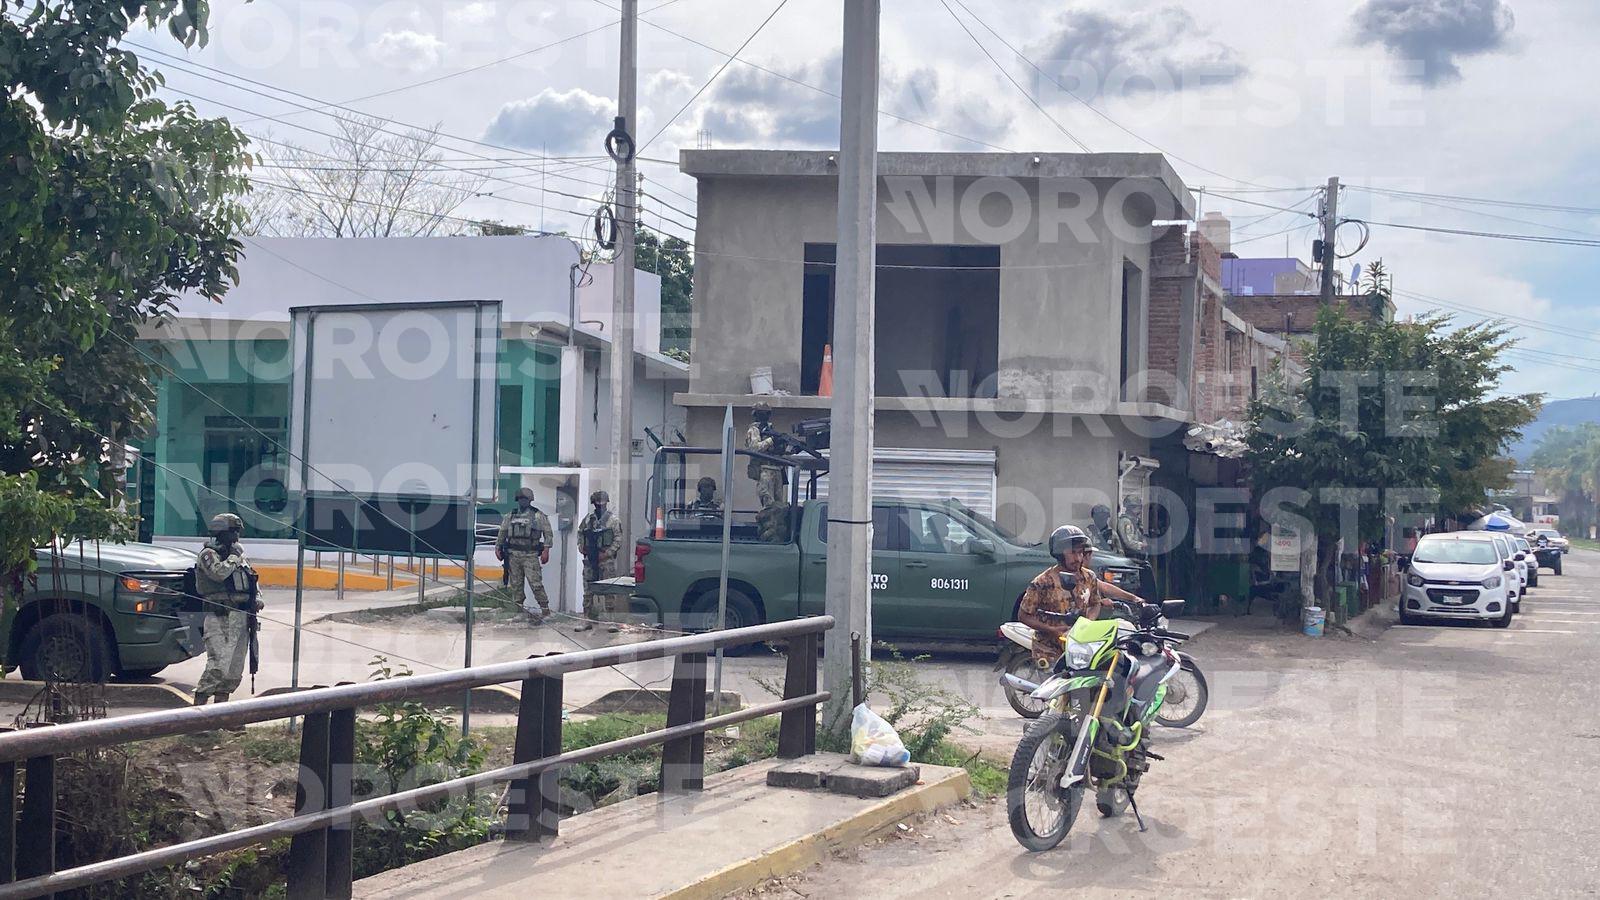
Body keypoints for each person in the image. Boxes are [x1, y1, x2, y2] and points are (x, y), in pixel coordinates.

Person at [1017, 525, 1147, 666]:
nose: (1078, 558)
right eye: (1073, 553)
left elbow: (1095, 603)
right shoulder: (1042, 582)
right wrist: (1051, 630)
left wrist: (1088, 623)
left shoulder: (1088, 576)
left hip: (1079, 648)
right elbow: (1023, 616)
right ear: (1060, 554)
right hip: (1049, 649)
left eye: (1080, 553)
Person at [194, 513, 262, 706]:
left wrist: (257, 598)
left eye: (237, 532)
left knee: (233, 670)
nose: (236, 537)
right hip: (219, 616)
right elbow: (219, 573)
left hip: (241, 617)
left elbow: (252, 580)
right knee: (217, 667)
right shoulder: (208, 555)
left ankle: (222, 717)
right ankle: (197, 717)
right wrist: (233, 558)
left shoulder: (239, 556)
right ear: (220, 532)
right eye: (233, 532)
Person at [496, 487, 552, 621]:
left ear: (530, 500)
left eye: (525, 499)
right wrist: (498, 546)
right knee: (516, 584)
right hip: (513, 555)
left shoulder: (538, 515)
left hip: (530, 555)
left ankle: (545, 611)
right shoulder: (511, 515)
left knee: (536, 584)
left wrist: (546, 550)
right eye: (520, 499)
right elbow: (503, 532)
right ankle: (519, 611)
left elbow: (548, 534)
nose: (523, 501)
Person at [576, 489, 622, 633]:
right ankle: (587, 620)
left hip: (605, 560)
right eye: (597, 503)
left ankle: (611, 621)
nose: (600, 506)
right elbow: (580, 533)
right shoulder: (588, 520)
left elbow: (618, 539)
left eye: (602, 503)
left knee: (609, 590)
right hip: (590, 559)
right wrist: (581, 546)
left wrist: (607, 553)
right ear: (593, 504)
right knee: (588, 591)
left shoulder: (613, 520)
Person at [745, 402, 787, 506]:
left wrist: (785, 446)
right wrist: (771, 440)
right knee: (768, 502)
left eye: (766, 413)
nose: (765, 415)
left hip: (777, 469)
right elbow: (754, 449)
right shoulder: (754, 430)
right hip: (764, 469)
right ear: (755, 414)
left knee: (779, 505)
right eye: (761, 413)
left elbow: (778, 451)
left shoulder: (771, 429)